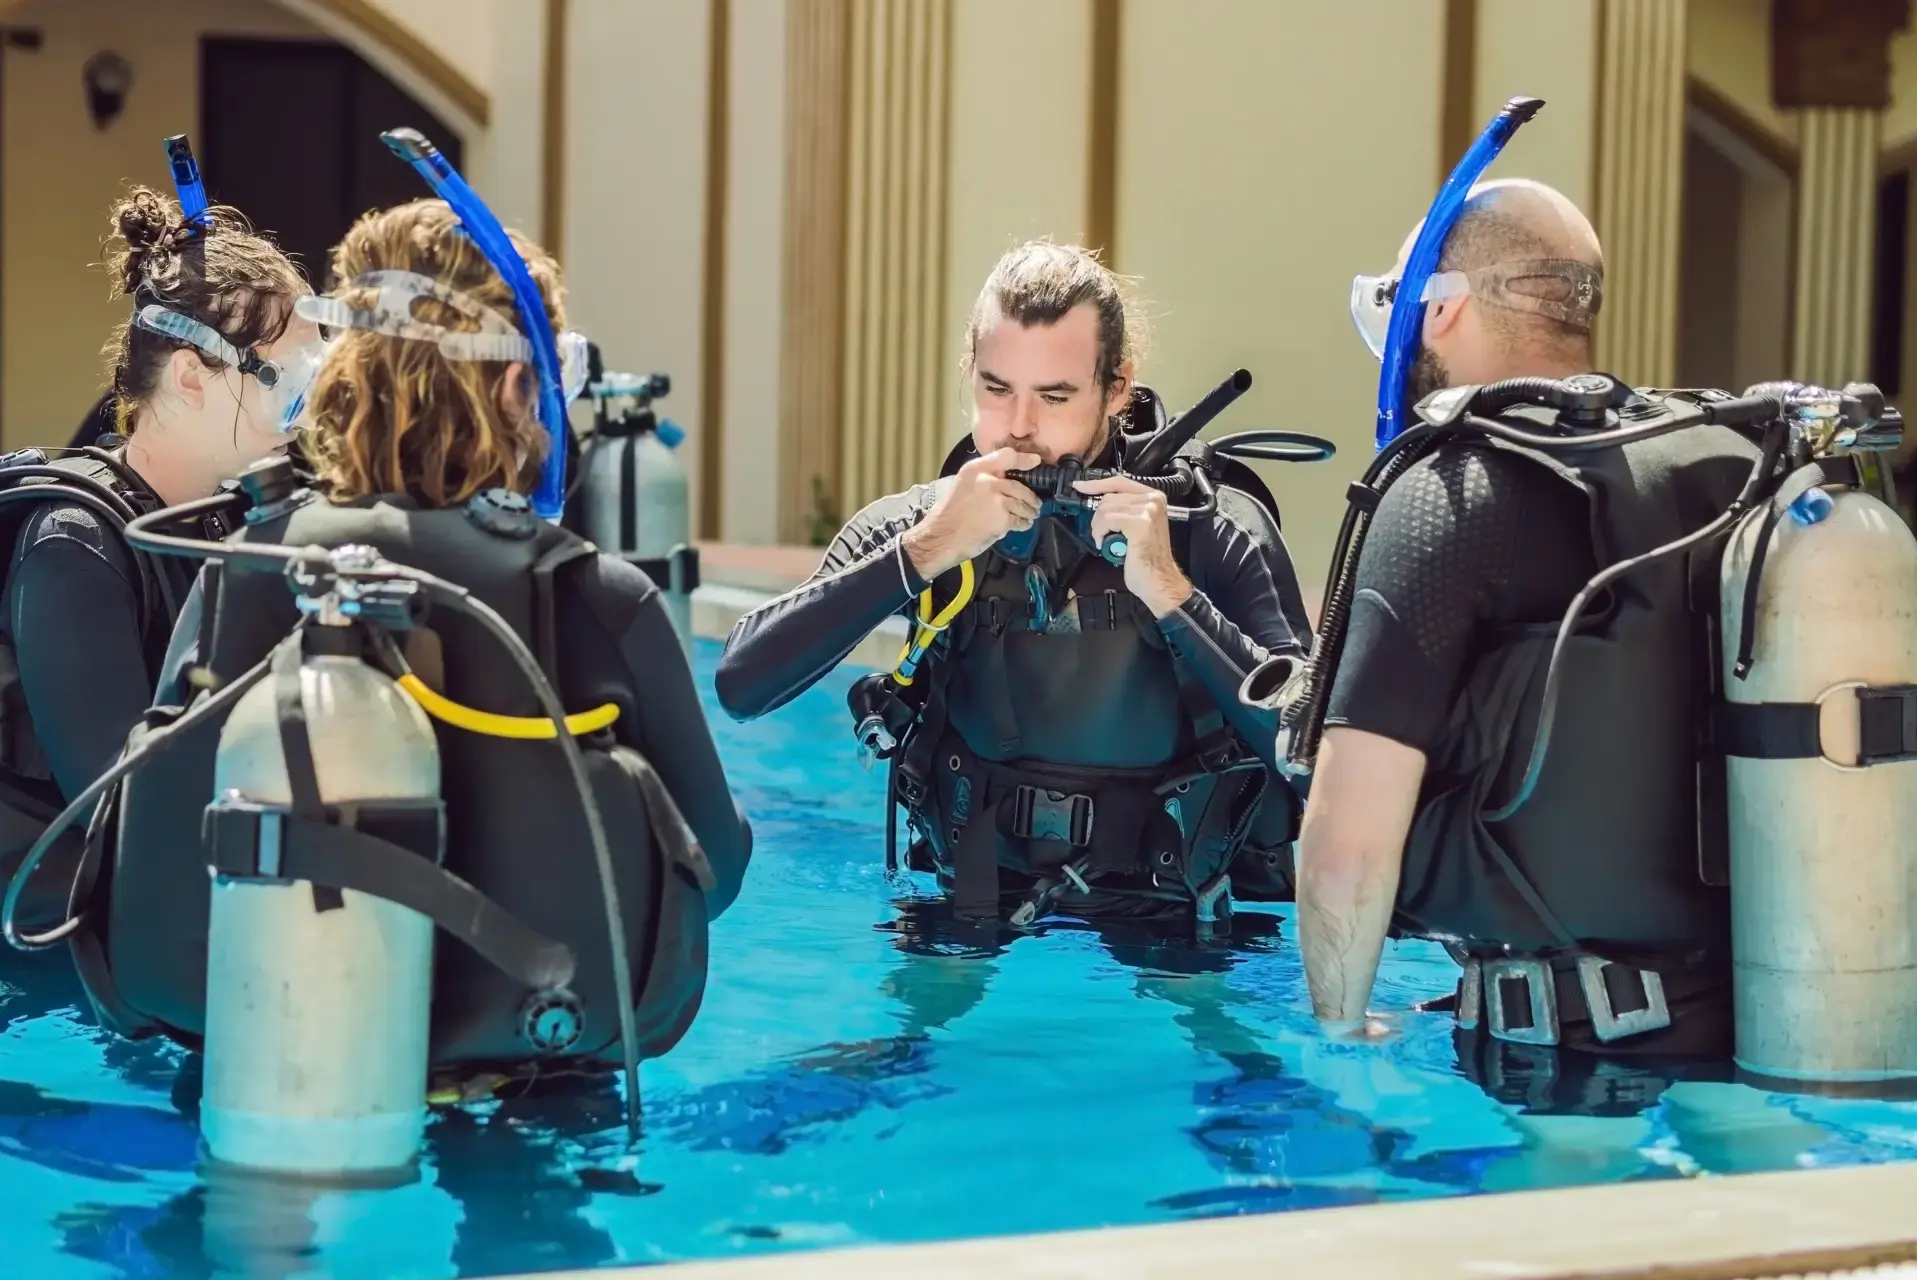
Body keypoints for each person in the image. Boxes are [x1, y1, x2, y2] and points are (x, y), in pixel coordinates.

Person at [65, 193, 753, 1091]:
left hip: (282, 1079)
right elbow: (717, 864)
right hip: (535, 1081)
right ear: (518, 385)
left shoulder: (246, 570)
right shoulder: (599, 597)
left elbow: (138, 854)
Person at [1290, 178, 1755, 1098]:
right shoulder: (1724, 462)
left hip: (1562, 1066)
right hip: (1754, 1032)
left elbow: (1347, 843)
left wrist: (1339, 1040)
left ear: (1446, 305)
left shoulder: (1447, 497)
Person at [717, 240, 1310, 929]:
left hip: (1174, 919)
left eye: (1054, 397)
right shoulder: (924, 522)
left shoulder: (1210, 529)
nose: (1020, 428)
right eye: (996, 389)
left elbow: (1318, 756)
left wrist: (1174, 595)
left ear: (1117, 388)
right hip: (966, 898)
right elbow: (740, 686)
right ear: (969, 372)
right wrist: (926, 551)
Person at [0, 185, 314, 927]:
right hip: (58, 968)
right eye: (292, 390)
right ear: (192, 376)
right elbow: (123, 812)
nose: (304, 420)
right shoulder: (74, 547)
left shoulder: (237, 521)